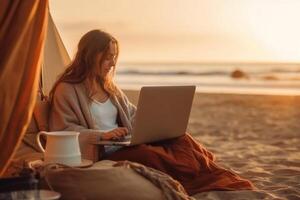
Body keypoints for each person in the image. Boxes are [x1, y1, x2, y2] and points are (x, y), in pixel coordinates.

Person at [49, 30, 254, 195]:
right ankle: (194, 179)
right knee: (151, 155)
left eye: (114, 57)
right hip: (105, 151)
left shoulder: (110, 88)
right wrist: (101, 135)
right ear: (91, 55)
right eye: (108, 57)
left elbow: (133, 115)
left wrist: (160, 123)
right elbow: (63, 129)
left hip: (126, 142)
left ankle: (203, 173)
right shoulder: (67, 89)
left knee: (182, 140)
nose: (112, 63)